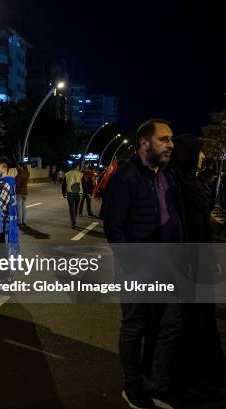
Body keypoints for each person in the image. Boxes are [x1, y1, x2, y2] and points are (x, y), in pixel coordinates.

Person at [104, 119, 185, 409]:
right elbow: (113, 227)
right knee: (135, 327)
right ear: (144, 143)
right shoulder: (125, 178)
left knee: (166, 325)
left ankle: (159, 384)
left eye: (171, 139)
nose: (170, 145)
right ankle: (133, 386)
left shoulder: (168, 175)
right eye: (164, 139)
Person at [171, 134, 226, 397]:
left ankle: (207, 374)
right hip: (188, 261)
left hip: (201, 257)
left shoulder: (192, 180)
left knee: (203, 317)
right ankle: (193, 377)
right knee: (192, 321)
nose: (204, 156)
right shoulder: (177, 183)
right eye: (199, 151)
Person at [62, 164, 84, 228]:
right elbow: (83, 184)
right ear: (77, 167)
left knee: (71, 208)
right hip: (78, 193)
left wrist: (63, 193)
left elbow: (64, 185)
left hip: (70, 193)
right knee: (76, 208)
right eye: (78, 167)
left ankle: (73, 222)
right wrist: (87, 192)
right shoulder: (81, 174)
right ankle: (74, 221)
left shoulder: (67, 174)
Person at [15, 162, 30, 228]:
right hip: (25, 193)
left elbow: (17, 184)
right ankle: (24, 221)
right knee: (24, 207)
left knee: (19, 208)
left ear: (21, 167)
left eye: (18, 166)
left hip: (19, 193)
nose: (16, 168)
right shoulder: (27, 173)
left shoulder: (19, 175)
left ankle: (19, 222)